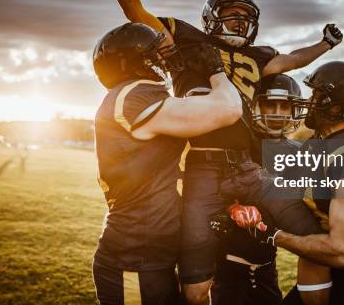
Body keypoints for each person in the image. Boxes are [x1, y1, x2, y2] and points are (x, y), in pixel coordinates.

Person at [83, 0, 341, 304]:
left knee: (318, 240)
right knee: (195, 287)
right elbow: (137, 13)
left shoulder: (258, 57)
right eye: (231, 14)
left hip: (249, 167)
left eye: (244, 16)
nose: (239, 22)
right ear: (210, 17)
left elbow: (290, 59)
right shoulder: (188, 43)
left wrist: (323, 45)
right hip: (202, 168)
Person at [91, 22, 243, 304]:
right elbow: (229, 109)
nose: (163, 58)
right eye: (153, 54)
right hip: (134, 257)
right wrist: (216, 72)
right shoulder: (132, 95)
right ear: (130, 62)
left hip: (151, 252)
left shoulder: (134, 95)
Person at [241, 62, 344, 305]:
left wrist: (272, 236)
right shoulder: (318, 145)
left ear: (332, 106)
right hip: (320, 277)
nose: (309, 101)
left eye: (315, 95)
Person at [210, 74, 309, 305]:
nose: (276, 112)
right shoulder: (238, 143)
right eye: (269, 104)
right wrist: (231, 208)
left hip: (266, 267)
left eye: (284, 106)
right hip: (228, 267)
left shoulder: (299, 152)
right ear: (256, 105)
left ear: (294, 110)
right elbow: (210, 191)